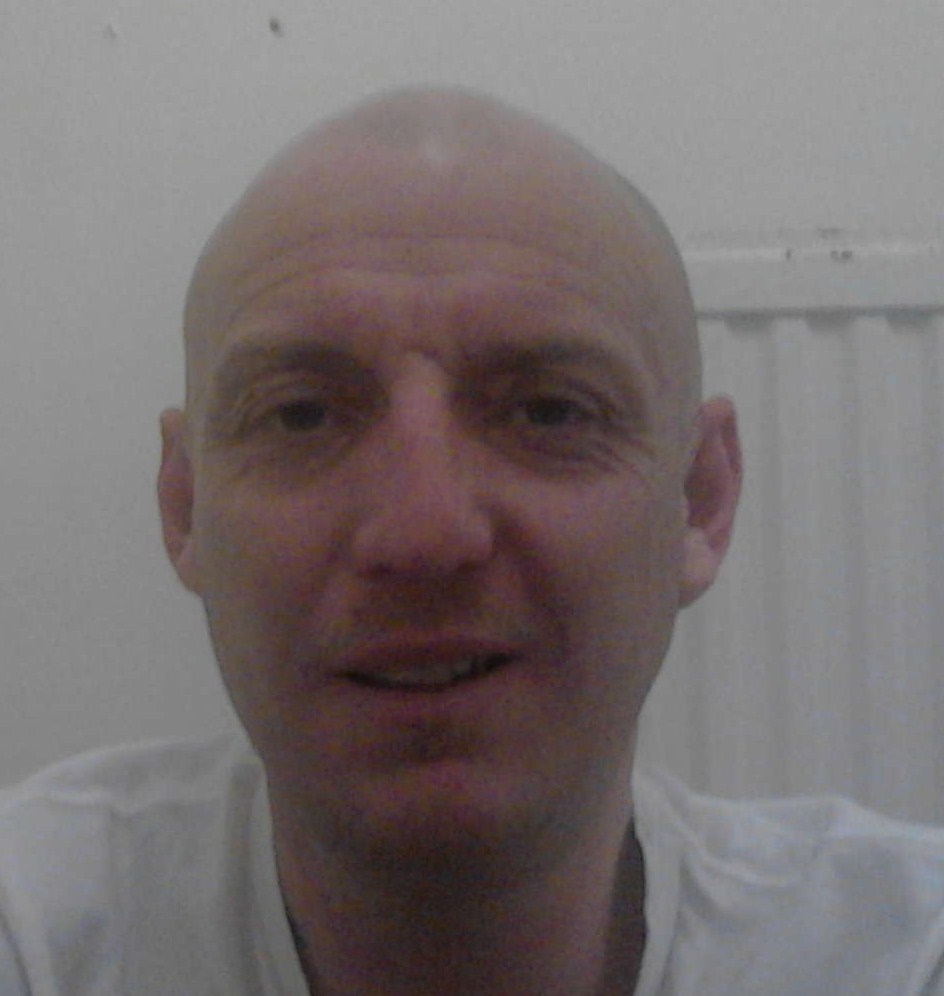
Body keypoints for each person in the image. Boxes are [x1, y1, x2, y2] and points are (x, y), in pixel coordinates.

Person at [1, 87, 943, 995]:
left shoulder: (899, 954)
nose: (424, 532)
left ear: (699, 499)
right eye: (300, 415)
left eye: (550, 411)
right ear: (184, 507)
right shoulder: (38, 933)